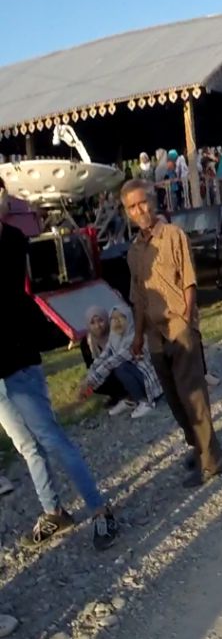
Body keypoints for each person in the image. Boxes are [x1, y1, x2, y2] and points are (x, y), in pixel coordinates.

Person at [0, 202, 119, 549]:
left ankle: (100, 509)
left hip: (18, 364)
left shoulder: (12, 241)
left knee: (51, 440)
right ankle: (54, 511)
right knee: (26, 446)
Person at [121, 178, 222, 488]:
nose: (138, 210)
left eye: (142, 203)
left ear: (152, 202)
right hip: (153, 336)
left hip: (179, 327)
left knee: (194, 397)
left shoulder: (174, 236)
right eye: (131, 206)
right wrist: (137, 337)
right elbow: (137, 298)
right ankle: (198, 447)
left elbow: (189, 281)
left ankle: (212, 462)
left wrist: (187, 321)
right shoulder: (134, 252)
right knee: (175, 400)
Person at [79, 305, 162, 419]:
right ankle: (130, 399)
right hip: (136, 375)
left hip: (148, 380)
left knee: (120, 368)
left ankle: (145, 401)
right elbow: (102, 358)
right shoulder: (115, 337)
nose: (117, 322)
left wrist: (90, 382)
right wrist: (87, 380)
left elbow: (113, 361)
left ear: (129, 318)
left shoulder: (134, 337)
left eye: (121, 317)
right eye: (113, 319)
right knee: (114, 370)